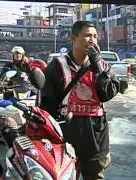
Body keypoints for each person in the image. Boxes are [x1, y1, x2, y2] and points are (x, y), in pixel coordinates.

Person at [40, 21, 120, 179]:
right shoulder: (57, 66)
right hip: (67, 135)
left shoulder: (102, 66)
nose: (92, 40)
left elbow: (109, 93)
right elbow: (46, 105)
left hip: (96, 136)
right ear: (73, 38)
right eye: (87, 35)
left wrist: (97, 65)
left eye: (95, 37)